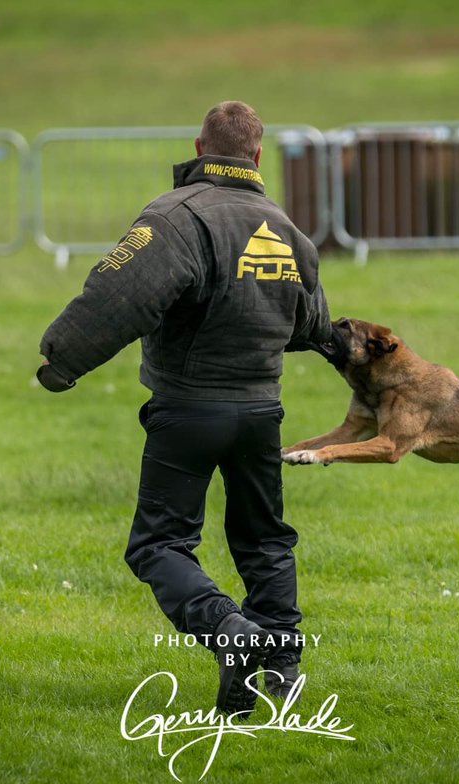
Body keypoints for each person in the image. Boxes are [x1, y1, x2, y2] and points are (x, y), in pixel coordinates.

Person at [37, 101, 335, 715]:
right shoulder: (287, 229)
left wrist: (61, 360)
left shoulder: (173, 217)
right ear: (257, 155)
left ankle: (230, 631)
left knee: (158, 546)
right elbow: (311, 325)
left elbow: (115, 296)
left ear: (199, 147)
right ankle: (280, 668)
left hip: (188, 410)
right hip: (261, 412)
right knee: (265, 540)